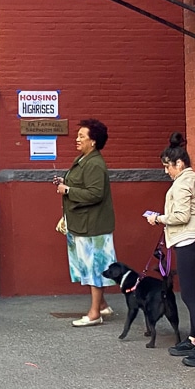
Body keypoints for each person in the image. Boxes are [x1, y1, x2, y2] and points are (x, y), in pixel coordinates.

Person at [146, 131, 195, 367]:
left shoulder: (184, 181)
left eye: (168, 166)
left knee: (189, 294)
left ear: (179, 163)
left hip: (190, 240)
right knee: (192, 291)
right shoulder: (190, 180)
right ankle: (194, 339)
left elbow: (182, 215)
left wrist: (159, 219)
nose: (167, 171)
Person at [54, 119, 117, 327]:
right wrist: (65, 184)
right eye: (78, 135)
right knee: (86, 266)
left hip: (93, 227)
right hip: (83, 224)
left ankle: (94, 314)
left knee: (94, 268)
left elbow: (95, 193)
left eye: (82, 136)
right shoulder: (84, 160)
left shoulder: (95, 164)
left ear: (94, 141)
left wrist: (69, 190)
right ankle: (102, 305)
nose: (77, 139)